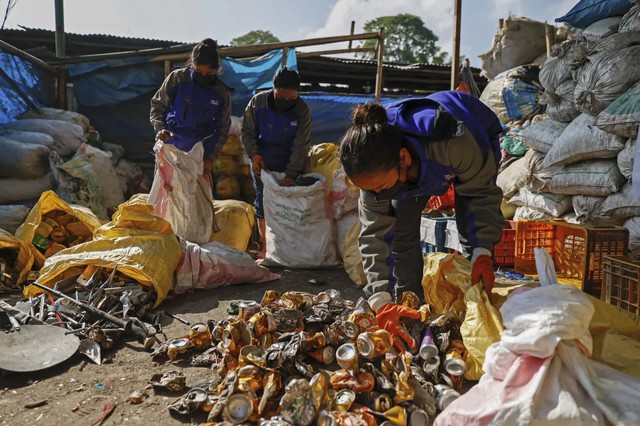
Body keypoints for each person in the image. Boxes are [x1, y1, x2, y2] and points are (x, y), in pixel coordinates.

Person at [339, 90, 505, 349]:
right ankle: (411, 307)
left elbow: (478, 195)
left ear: (403, 158)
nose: (376, 195)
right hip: (408, 169)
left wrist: (482, 249)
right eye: (370, 190)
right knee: (401, 232)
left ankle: (477, 307)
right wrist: (381, 299)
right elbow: (375, 235)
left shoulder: (453, 141)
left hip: (472, 136)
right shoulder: (373, 174)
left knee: (473, 231)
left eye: (380, 187)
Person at [241, 67, 312, 258]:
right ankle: (266, 249)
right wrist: (254, 156)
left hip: (291, 162)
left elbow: (301, 144)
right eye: (282, 98)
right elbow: (247, 132)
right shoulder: (258, 102)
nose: (286, 103)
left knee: (290, 208)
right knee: (263, 204)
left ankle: (290, 250)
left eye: (291, 99)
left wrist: (291, 174)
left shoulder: (302, 109)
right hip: (263, 163)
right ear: (274, 89)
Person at [150, 38, 231, 180]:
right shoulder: (177, 78)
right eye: (199, 71)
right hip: (170, 148)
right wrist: (160, 129)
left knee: (194, 198)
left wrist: (210, 157)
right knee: (167, 193)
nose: (204, 76)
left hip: (198, 155)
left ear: (217, 70)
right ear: (192, 64)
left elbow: (222, 128)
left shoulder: (221, 93)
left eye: (210, 73)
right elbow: (158, 106)